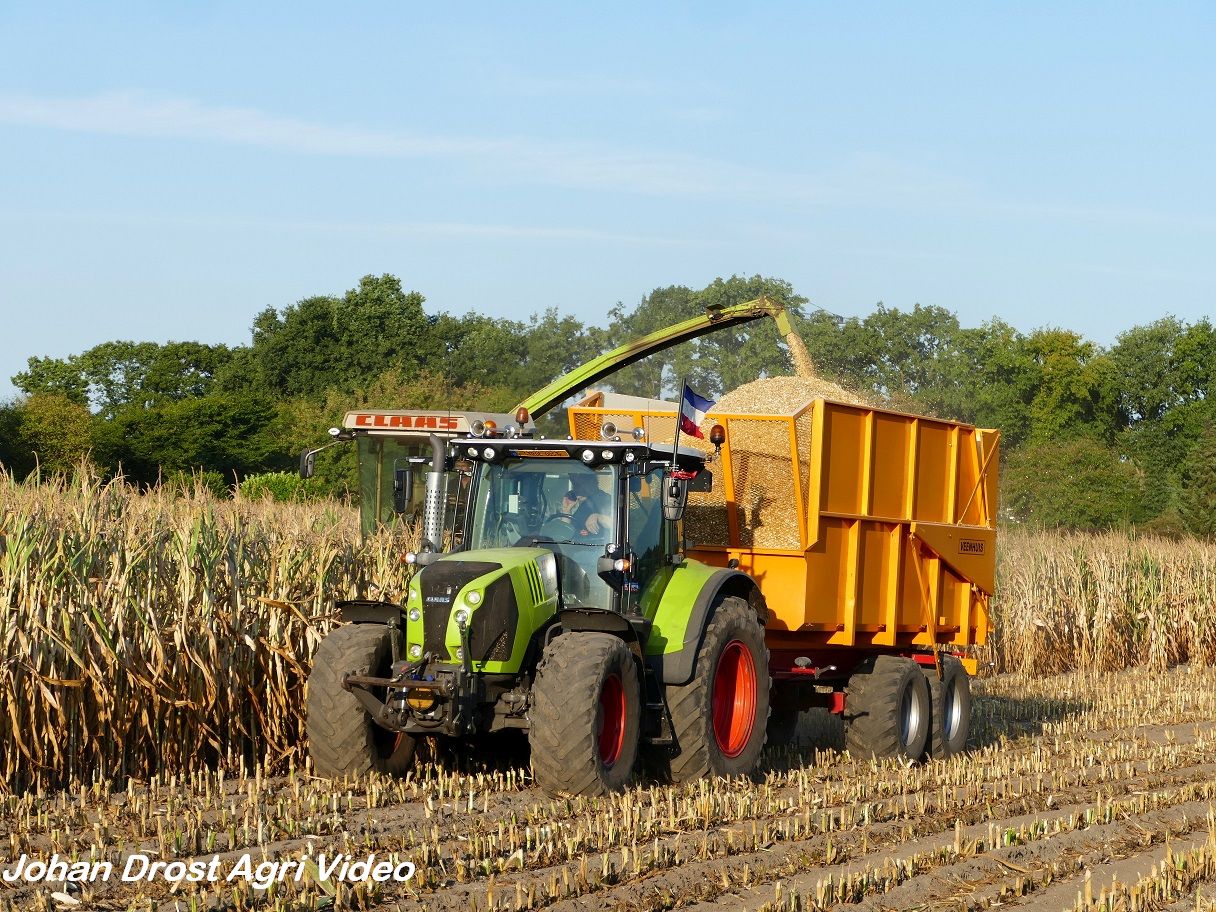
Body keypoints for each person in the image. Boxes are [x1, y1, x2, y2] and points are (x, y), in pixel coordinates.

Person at [562, 472, 612, 537]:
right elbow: (564, 533)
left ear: (591, 482)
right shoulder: (574, 500)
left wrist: (598, 517)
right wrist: (566, 510)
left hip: (598, 545)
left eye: (580, 483)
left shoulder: (606, 499)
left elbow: (618, 524)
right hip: (573, 544)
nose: (576, 487)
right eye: (574, 483)